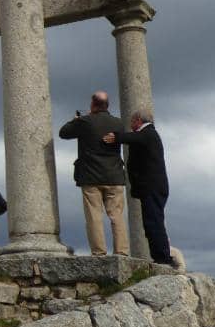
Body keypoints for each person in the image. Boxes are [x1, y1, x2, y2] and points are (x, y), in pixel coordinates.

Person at [58, 91, 128, 256]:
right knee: (117, 216)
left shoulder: (85, 121)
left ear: (93, 104)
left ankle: (99, 252)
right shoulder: (118, 123)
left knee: (94, 216)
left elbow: (63, 133)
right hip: (115, 176)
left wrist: (75, 120)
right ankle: (122, 251)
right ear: (107, 105)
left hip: (91, 176)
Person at [104, 108, 172, 265]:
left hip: (152, 187)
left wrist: (116, 137)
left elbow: (134, 138)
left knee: (153, 222)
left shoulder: (148, 133)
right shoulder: (148, 134)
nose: (130, 124)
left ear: (138, 121)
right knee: (152, 222)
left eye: (132, 121)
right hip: (153, 187)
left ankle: (163, 258)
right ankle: (160, 256)